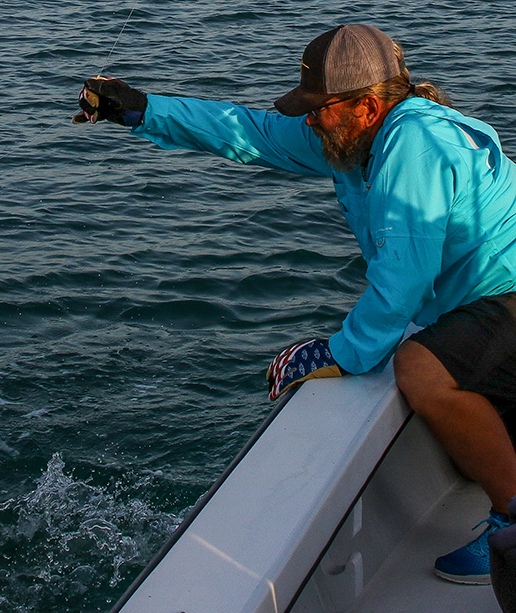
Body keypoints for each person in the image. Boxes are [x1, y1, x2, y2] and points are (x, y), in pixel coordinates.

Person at [76, 24, 516, 584]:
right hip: (483, 301)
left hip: (505, 293)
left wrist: (343, 353)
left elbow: (404, 274)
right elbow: (253, 132)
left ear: (366, 106)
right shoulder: (353, 137)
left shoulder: (416, 145)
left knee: (420, 370)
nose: (307, 118)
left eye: (317, 107)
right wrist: (142, 110)